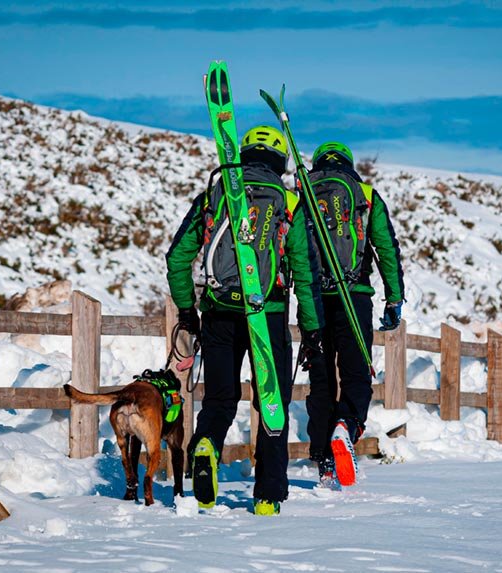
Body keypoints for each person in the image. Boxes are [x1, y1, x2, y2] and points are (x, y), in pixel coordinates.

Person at [166, 125, 325, 516]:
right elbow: (304, 273)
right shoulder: (290, 202)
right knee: (272, 403)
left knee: (220, 399)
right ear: (281, 161)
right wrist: (311, 328)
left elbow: (177, 258)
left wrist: (188, 310)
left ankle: (206, 446)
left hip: (219, 312)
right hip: (267, 315)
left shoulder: (215, 195)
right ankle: (269, 494)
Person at [302, 141, 405, 489]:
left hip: (313, 298)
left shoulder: (301, 193)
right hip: (354, 296)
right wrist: (394, 300)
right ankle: (346, 425)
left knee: (321, 381)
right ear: (349, 164)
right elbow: (386, 248)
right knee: (357, 374)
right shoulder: (365, 195)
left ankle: (323, 459)